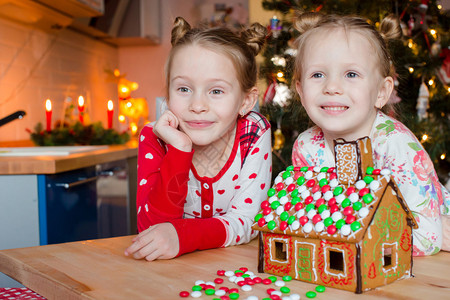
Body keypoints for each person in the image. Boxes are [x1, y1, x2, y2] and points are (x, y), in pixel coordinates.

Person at [290, 12, 450, 256]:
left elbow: (428, 238)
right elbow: (311, 216)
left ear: (381, 92)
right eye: (317, 74)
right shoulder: (306, 146)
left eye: (351, 74)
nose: (332, 87)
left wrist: (357, 240)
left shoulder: (395, 145)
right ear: (300, 91)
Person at [124, 17, 272, 261]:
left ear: (245, 101)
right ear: (168, 94)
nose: (197, 105)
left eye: (216, 91)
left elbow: (247, 221)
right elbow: (152, 229)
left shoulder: (253, 133)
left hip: (232, 266)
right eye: (184, 89)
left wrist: (183, 236)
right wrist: (180, 149)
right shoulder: (155, 136)